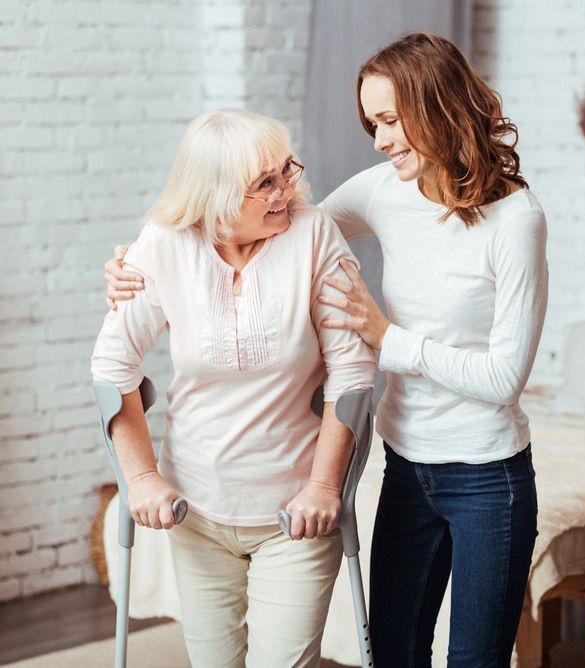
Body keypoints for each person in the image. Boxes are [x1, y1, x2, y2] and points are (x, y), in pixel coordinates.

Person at [105, 32, 548, 667]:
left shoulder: (517, 221)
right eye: (373, 123)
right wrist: (141, 264)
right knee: (395, 654)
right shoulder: (384, 189)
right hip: (407, 466)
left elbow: (504, 377)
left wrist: (386, 338)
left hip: (487, 475)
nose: (380, 140)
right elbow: (278, 226)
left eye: (391, 120)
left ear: (440, 107)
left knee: (475, 660)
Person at [93, 109, 375, 668]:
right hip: (194, 509)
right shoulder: (164, 245)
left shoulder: (313, 234)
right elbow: (111, 366)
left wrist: (324, 487)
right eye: (264, 183)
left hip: (294, 514)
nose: (286, 192)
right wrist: (143, 478)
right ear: (215, 196)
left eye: (286, 172)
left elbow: (352, 373)